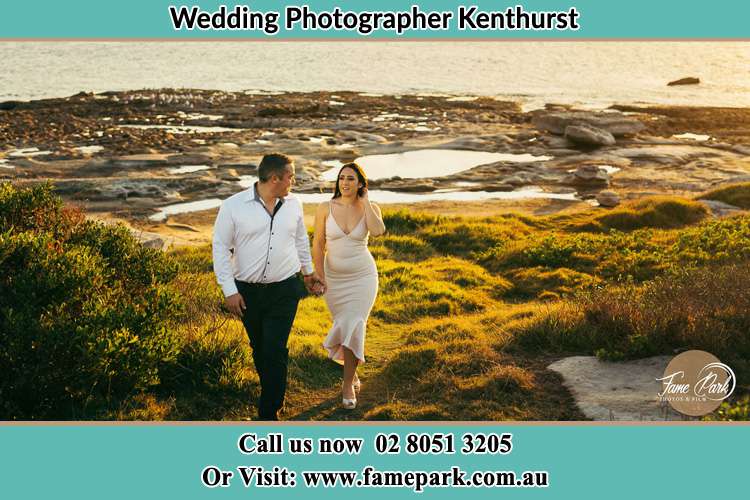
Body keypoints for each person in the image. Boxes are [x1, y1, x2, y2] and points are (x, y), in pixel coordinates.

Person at [212, 153, 324, 420]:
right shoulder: (233, 206)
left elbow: (300, 241)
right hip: (247, 292)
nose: (293, 181)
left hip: (285, 289)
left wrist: (308, 273)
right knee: (259, 348)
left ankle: (268, 413)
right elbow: (220, 249)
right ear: (274, 178)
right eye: (290, 176)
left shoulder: (294, 204)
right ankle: (272, 394)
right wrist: (230, 290)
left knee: (275, 349)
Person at [312, 162, 386, 410]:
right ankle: (352, 374)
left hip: (363, 277)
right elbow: (318, 244)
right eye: (342, 178)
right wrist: (319, 276)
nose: (345, 183)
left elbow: (378, 231)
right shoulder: (325, 207)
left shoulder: (369, 207)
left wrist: (366, 202)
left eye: (351, 179)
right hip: (334, 280)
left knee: (354, 324)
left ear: (361, 184)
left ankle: (345, 386)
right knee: (344, 328)